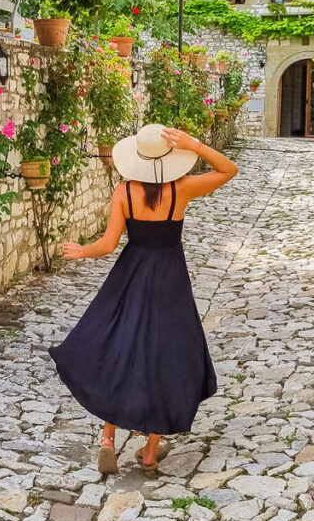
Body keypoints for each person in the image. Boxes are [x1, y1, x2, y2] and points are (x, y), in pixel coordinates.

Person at [49, 124, 238, 473]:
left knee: (122, 347)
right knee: (165, 355)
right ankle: (150, 452)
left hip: (131, 275)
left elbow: (107, 245)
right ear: (170, 160)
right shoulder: (181, 189)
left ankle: (108, 437)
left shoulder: (124, 191)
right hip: (170, 279)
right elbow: (229, 169)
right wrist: (196, 145)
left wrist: (82, 251)